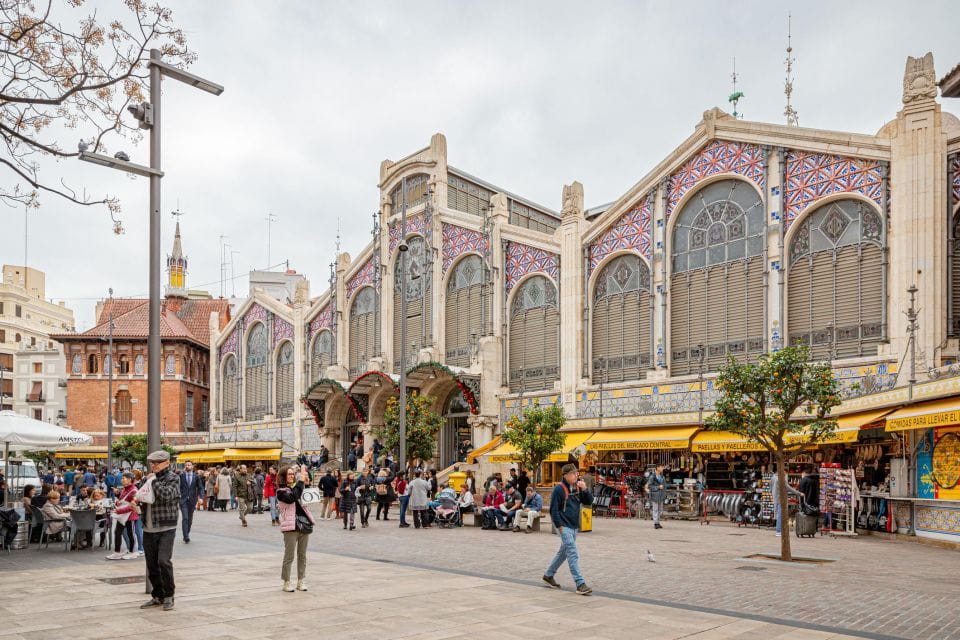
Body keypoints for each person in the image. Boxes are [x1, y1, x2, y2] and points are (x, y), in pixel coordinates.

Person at [543, 463, 594, 596]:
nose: (576, 475)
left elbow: (589, 501)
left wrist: (585, 489)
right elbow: (553, 510)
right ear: (565, 475)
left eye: (576, 473)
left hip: (573, 525)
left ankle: (548, 575)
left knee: (563, 553)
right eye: (573, 473)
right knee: (572, 552)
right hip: (564, 526)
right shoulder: (559, 489)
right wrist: (559, 526)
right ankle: (580, 583)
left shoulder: (578, 486)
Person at [139, 450, 181, 611]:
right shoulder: (147, 478)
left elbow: (166, 495)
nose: (154, 465)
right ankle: (158, 596)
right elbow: (141, 495)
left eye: (157, 462)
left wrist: (153, 481)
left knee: (163, 561)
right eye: (152, 463)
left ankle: (169, 595)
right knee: (151, 564)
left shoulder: (173, 478)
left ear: (167, 463)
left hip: (166, 526)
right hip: (148, 526)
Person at [277, 465, 315, 592]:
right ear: (283, 476)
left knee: (302, 555)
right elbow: (292, 497)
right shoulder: (281, 491)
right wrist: (301, 481)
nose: (292, 476)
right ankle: (286, 582)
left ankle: (301, 580)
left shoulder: (296, 487)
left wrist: (305, 481)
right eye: (289, 474)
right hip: (290, 526)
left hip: (303, 524)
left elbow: (303, 495)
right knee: (289, 556)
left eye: (293, 474)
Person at [106, 472, 138, 560]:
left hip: (130, 516)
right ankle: (117, 552)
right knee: (117, 532)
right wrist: (117, 499)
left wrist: (118, 510)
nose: (122, 480)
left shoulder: (134, 491)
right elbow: (121, 501)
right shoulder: (124, 489)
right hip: (122, 516)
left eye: (124, 478)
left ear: (130, 480)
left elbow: (132, 506)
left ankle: (133, 552)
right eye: (122, 478)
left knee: (131, 534)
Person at [771, 466, 803, 536]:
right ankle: (779, 531)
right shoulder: (780, 479)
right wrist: (799, 493)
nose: (785, 474)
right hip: (781, 498)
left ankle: (780, 530)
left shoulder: (773, 477)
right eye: (785, 473)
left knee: (778, 514)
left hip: (775, 497)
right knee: (780, 515)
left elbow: (772, 488)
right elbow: (788, 487)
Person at [179, 462, 203, 543]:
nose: (187, 466)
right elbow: (178, 487)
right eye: (186, 465)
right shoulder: (181, 476)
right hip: (183, 500)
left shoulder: (196, 476)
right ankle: (185, 536)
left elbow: (200, 488)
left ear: (192, 466)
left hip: (192, 500)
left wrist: (201, 497)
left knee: (190, 520)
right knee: (185, 518)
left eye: (189, 465)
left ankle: (187, 533)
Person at [646, 465, 667, 530]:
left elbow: (664, 486)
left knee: (660, 509)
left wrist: (665, 493)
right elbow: (649, 486)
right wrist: (658, 487)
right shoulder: (652, 476)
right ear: (657, 468)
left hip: (661, 495)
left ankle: (658, 522)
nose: (662, 468)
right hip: (655, 495)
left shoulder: (662, 476)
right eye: (661, 467)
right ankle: (656, 523)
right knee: (655, 509)